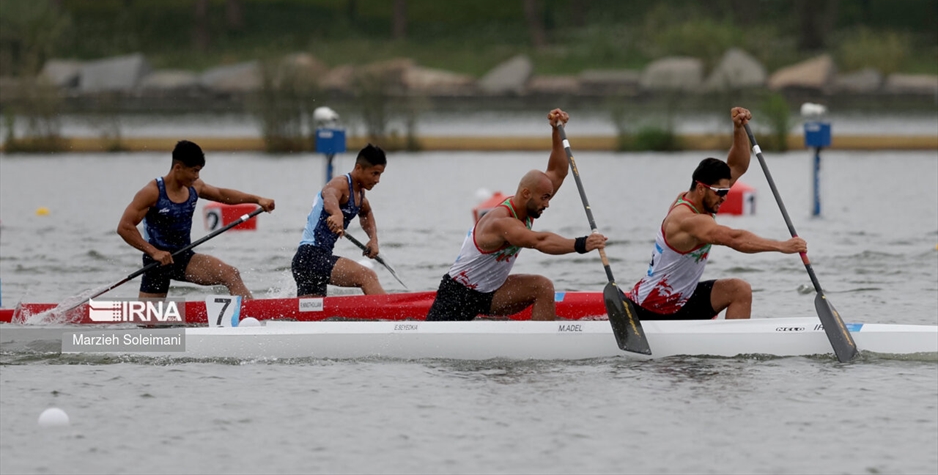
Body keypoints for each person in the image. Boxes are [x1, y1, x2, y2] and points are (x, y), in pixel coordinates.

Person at [625, 107, 807, 320]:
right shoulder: (687, 219)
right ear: (701, 188)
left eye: (727, 191)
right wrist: (781, 246)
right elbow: (733, 238)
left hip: (682, 300)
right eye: (720, 192)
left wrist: (738, 128)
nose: (725, 197)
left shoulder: (701, 198)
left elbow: (738, 164)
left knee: (740, 289)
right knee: (738, 287)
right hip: (652, 309)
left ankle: (734, 349)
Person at [426, 108, 607, 321]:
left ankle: (543, 345)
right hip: (458, 295)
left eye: (548, 197)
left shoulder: (530, 205)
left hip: (491, 292)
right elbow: (539, 241)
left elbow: (558, 172)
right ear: (526, 193)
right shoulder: (502, 222)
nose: (548, 204)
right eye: (544, 198)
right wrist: (582, 244)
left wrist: (558, 130)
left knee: (542, 287)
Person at [117, 140, 275, 300]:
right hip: (157, 263)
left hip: (184, 258)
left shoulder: (194, 187)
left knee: (231, 274)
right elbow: (124, 227)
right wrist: (154, 252)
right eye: (194, 171)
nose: (197, 176)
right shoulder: (152, 192)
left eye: (198, 171)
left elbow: (221, 194)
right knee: (148, 322)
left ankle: (250, 316)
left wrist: (257, 199)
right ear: (178, 168)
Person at [292, 143, 388, 297]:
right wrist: (336, 213)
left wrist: (373, 240)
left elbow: (366, 213)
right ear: (358, 168)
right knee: (367, 276)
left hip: (313, 262)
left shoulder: (360, 196)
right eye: (374, 173)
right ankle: (394, 318)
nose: (377, 180)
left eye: (380, 174)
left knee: (312, 318)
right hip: (310, 257)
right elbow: (328, 194)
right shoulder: (340, 184)